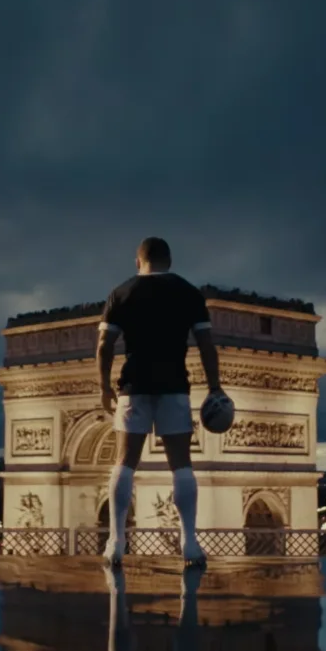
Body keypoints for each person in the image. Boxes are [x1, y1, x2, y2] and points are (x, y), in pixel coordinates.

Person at [96, 236, 226, 568]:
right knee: (181, 466)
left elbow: (103, 346)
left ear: (138, 261)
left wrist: (104, 387)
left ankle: (115, 542)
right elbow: (207, 345)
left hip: (134, 386)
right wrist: (214, 387)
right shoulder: (188, 292)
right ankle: (190, 543)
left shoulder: (120, 293)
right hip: (174, 386)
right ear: (169, 260)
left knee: (124, 464)